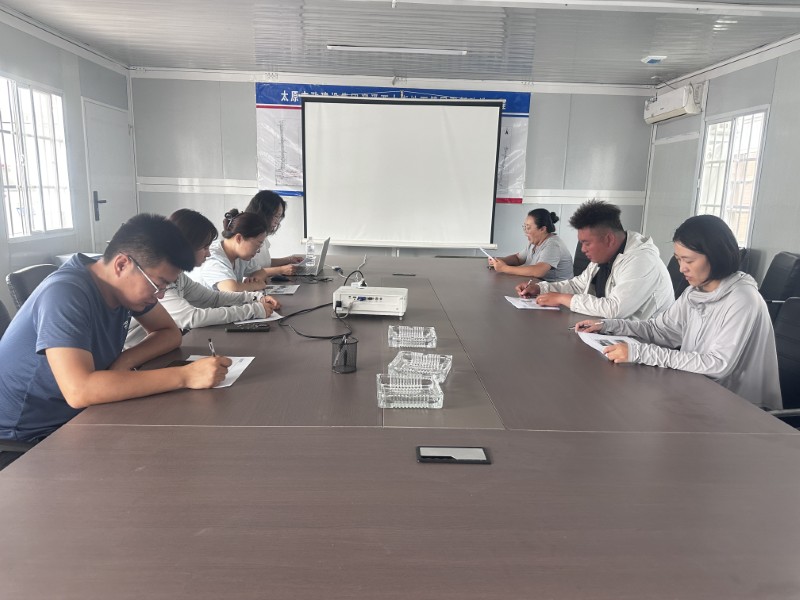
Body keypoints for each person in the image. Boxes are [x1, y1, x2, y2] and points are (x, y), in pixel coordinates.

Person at [0, 214, 232, 444]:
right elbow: (79, 390)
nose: (160, 295)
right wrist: (185, 375)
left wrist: (123, 361)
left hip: (82, 413)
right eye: (158, 284)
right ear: (122, 264)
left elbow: (169, 333)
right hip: (29, 434)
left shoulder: (119, 285)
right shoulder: (65, 293)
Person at [574, 215, 781, 409]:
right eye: (678, 259)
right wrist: (609, 325)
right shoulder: (695, 292)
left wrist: (639, 353)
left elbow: (718, 365)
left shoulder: (743, 299)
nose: (682, 268)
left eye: (688, 261)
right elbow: (659, 330)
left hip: (740, 408)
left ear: (715, 256)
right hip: (698, 392)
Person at [125, 209, 282, 347]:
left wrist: (254, 297)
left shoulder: (179, 276)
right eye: (205, 247)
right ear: (186, 247)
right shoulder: (157, 279)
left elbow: (213, 299)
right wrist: (253, 310)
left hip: (160, 347)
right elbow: (191, 318)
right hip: (136, 355)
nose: (208, 253)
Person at [515, 200, 673, 320]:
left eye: (587, 243)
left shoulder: (641, 260)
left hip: (643, 343)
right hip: (612, 330)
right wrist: (541, 288)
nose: (583, 250)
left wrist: (562, 298)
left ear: (609, 239)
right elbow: (577, 285)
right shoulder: (606, 256)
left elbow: (615, 308)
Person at [189, 209, 273, 292]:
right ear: (239, 238)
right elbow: (231, 289)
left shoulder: (240, 255)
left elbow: (261, 272)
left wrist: (255, 279)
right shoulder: (213, 257)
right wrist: (256, 285)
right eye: (257, 245)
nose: (258, 251)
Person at [489, 208, 572, 281]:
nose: (525, 232)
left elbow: (538, 271)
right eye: (524, 227)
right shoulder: (534, 243)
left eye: (528, 227)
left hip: (556, 290)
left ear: (542, 229)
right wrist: (500, 261)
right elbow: (518, 258)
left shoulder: (553, 245)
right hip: (538, 285)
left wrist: (504, 268)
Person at [245, 190, 304, 276]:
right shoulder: (248, 237)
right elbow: (250, 271)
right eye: (276, 216)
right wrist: (281, 270)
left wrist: (289, 260)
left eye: (279, 217)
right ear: (264, 213)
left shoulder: (261, 234)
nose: (277, 222)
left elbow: (265, 263)